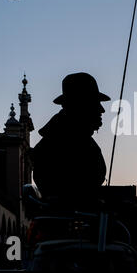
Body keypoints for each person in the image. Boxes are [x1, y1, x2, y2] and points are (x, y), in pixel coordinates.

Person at [32, 72, 110, 212]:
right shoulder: (57, 144)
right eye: (95, 103)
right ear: (80, 106)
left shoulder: (73, 138)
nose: (102, 110)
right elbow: (75, 196)